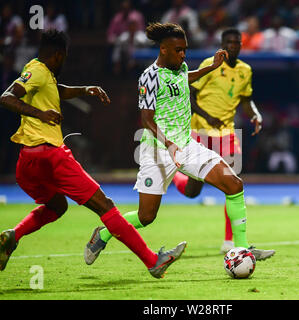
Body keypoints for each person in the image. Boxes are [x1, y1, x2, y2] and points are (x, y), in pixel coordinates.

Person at [0, 29, 186, 279]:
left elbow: (56, 90)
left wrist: (84, 89)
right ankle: (153, 261)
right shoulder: (41, 72)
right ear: (58, 56)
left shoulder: (36, 71)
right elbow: (6, 97)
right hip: (51, 156)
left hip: (27, 162)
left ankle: (14, 235)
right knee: (105, 206)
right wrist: (40, 114)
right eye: (64, 58)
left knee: (56, 206)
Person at [84, 23, 275, 265]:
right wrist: (170, 145)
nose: (183, 54)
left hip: (187, 144)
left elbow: (185, 78)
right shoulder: (149, 76)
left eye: (185, 49)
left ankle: (241, 248)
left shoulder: (180, 67)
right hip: (156, 150)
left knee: (233, 184)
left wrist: (212, 68)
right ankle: (101, 234)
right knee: (146, 216)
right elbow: (146, 119)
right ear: (163, 49)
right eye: (178, 50)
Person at [172, 28, 265, 253]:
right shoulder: (210, 63)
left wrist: (255, 114)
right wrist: (206, 116)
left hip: (227, 134)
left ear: (241, 45)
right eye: (228, 42)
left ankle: (229, 241)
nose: (233, 45)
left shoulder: (245, 70)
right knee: (194, 191)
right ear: (222, 44)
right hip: (200, 132)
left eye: (236, 42)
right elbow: (188, 94)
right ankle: (177, 177)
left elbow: (246, 100)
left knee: (232, 185)